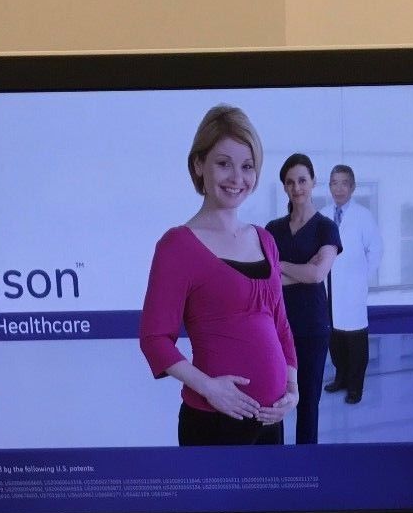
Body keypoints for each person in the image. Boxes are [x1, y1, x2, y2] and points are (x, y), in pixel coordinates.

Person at [139, 106, 299, 445]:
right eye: (224, 163)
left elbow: (280, 324)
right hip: (213, 421)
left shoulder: (265, 240)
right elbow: (154, 339)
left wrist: (292, 387)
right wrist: (209, 388)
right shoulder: (177, 246)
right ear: (199, 165)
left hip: (271, 419)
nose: (237, 178)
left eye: (247, 166)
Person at [265, 155, 341, 444]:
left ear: (313, 182)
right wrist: (303, 270)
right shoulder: (272, 230)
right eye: (290, 182)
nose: (296, 187)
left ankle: (305, 467)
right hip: (275, 328)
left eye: (302, 180)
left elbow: (318, 274)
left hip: (312, 327)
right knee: (275, 400)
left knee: (308, 403)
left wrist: (281, 265)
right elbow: (266, 279)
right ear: (284, 187)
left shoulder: (326, 227)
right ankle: (276, 464)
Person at [324, 165, 382, 405]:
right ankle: (341, 379)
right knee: (335, 339)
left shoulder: (363, 216)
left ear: (353, 187)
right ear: (329, 186)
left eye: (344, 183)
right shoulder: (323, 215)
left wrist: (361, 278)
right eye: (334, 183)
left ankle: (355, 387)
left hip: (353, 289)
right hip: (330, 289)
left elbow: (375, 250)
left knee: (355, 341)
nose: (339, 188)